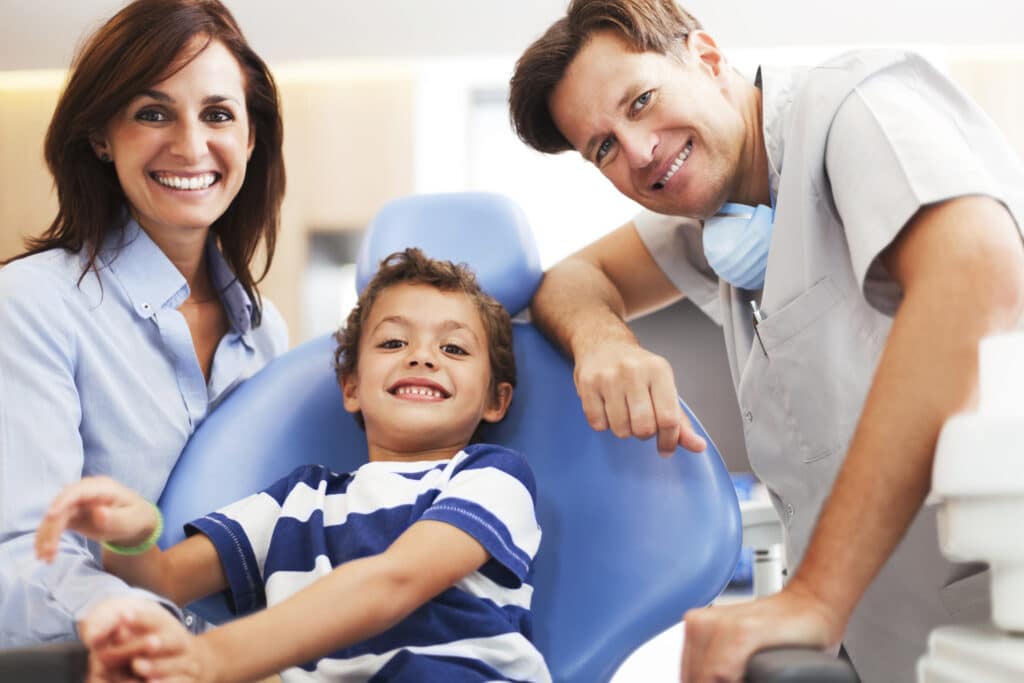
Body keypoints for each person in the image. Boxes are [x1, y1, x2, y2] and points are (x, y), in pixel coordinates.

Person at [508, 1, 1024, 681]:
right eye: (602, 146)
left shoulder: (854, 103)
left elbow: (980, 276)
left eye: (641, 100)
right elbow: (571, 280)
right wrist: (605, 342)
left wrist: (813, 596)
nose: (637, 152)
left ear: (708, 58)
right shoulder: (722, 216)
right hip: (895, 648)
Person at [34, 248, 551, 683]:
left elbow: (395, 581)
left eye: (454, 347)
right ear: (351, 386)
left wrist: (210, 659)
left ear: (495, 401)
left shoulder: (491, 477)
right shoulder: (298, 501)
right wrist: (130, 535)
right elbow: (164, 582)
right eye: (394, 342)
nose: (422, 357)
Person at [0, 0, 288, 646]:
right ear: (102, 135)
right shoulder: (33, 304)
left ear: (249, 138)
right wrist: (187, 644)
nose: (190, 145)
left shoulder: (268, 334)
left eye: (217, 114)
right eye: (152, 112)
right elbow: (20, 565)